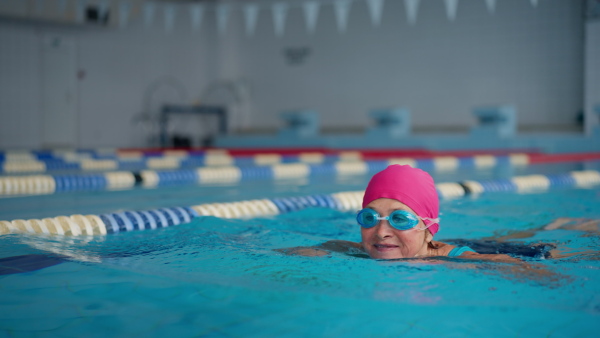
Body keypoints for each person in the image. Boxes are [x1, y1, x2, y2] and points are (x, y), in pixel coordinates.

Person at [277, 164, 595, 262]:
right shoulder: (359, 251)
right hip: (435, 245)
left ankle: (562, 226)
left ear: (430, 227)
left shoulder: (460, 262)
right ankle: (555, 223)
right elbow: (312, 251)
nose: (381, 232)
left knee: (545, 250)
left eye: (400, 218)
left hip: (467, 250)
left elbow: (511, 266)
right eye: (370, 218)